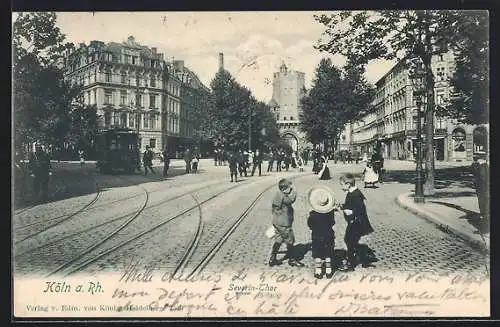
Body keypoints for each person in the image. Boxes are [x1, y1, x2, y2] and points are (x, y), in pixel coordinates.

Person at [339, 173, 374, 271]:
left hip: (357, 222)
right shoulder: (351, 193)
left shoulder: (356, 194)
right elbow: (348, 205)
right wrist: (340, 207)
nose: (341, 187)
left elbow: (360, 209)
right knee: (351, 240)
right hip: (354, 221)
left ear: (348, 184)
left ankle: (351, 264)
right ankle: (363, 257)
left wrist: (352, 212)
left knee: (349, 240)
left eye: (342, 184)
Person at [269, 178, 304, 267]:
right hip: (284, 223)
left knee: (279, 239)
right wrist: (295, 191)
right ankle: (292, 259)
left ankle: (272, 258)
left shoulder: (278, 194)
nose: (291, 189)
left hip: (277, 222)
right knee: (290, 240)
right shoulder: (283, 197)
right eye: (289, 188)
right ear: (284, 189)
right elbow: (291, 200)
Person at [307, 185, 336, 279]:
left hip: (317, 236)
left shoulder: (313, 214)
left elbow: (310, 225)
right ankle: (328, 271)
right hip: (328, 235)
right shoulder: (330, 213)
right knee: (328, 253)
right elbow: (333, 222)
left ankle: (318, 271)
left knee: (318, 254)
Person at [471, 154, 489, 230]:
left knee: (483, 203)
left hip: (483, 189)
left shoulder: (482, 166)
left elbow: (482, 177)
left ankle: (484, 219)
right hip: (483, 188)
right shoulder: (480, 166)